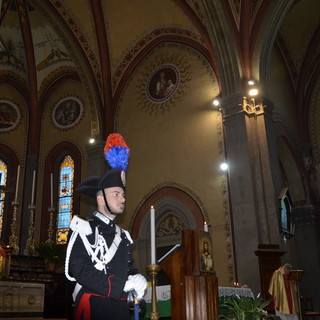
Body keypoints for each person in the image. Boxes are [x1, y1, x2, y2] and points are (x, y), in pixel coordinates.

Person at [65, 133, 147, 320]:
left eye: (123, 195)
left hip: (121, 309)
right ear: (100, 198)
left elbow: (129, 268)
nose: (123, 199)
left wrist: (136, 277)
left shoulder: (123, 236)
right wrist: (121, 285)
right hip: (95, 307)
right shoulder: (83, 229)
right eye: (116, 194)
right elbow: (79, 270)